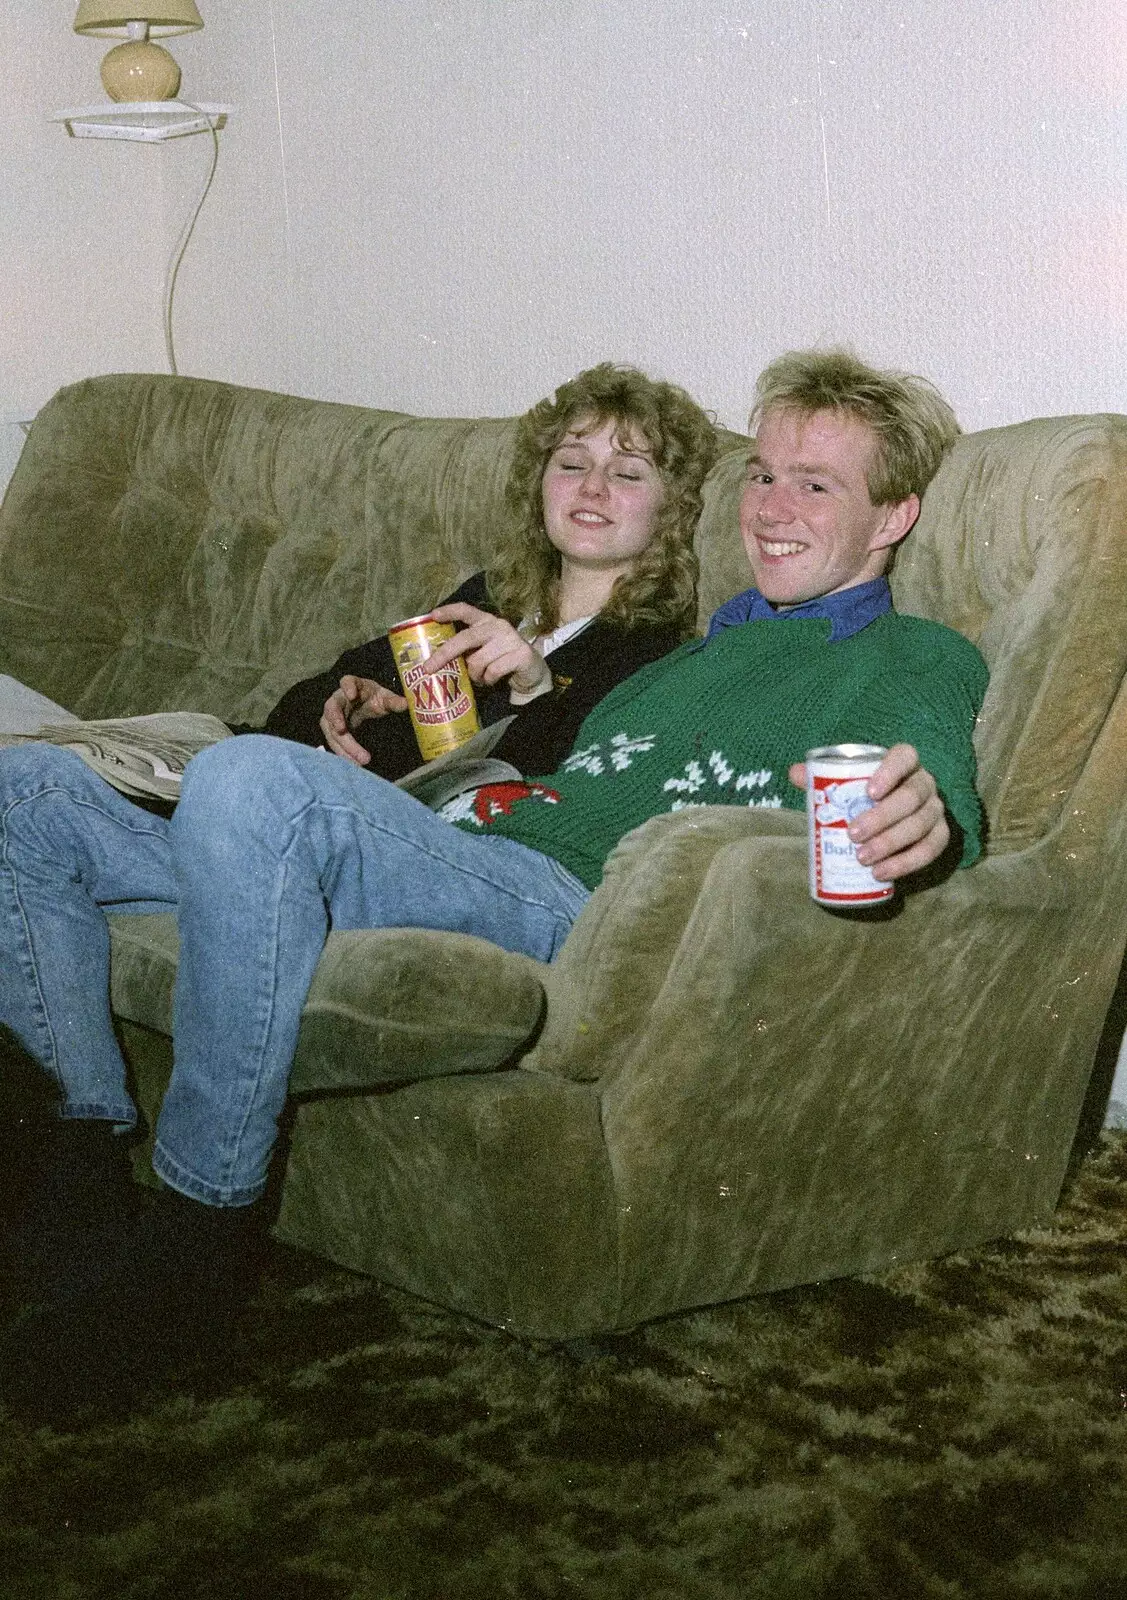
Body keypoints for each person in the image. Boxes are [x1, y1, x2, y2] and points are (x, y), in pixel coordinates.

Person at [0, 348, 987, 1423]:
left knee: (250, 782)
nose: (772, 506)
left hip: (554, 894)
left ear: (891, 515)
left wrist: (919, 815)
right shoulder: (685, 659)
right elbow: (529, 767)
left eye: (816, 483)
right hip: (460, 836)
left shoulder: (913, 652)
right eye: (761, 474)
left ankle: (195, 1241)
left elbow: (925, 770)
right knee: (27, 788)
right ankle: (81, 1172)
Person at [259, 361, 717, 781]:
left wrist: (535, 691)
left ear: (671, 508)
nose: (592, 487)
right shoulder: (489, 597)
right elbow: (289, 716)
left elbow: (541, 806)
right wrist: (342, 710)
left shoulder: (655, 659)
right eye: (572, 464)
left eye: (627, 474)